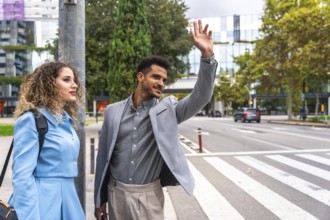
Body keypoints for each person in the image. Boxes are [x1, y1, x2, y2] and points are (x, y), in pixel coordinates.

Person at [94, 19, 218, 220]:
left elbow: (201, 96)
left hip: (148, 196)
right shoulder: (113, 111)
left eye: (164, 80)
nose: (161, 83)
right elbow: (103, 159)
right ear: (140, 77)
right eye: (156, 77)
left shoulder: (167, 111)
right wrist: (99, 201)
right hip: (115, 192)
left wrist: (207, 56)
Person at [8, 62, 86, 220]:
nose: (74, 85)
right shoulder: (31, 120)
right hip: (42, 203)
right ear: (49, 84)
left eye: (74, 80)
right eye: (66, 80)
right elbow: (22, 177)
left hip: (69, 199)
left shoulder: (66, 121)